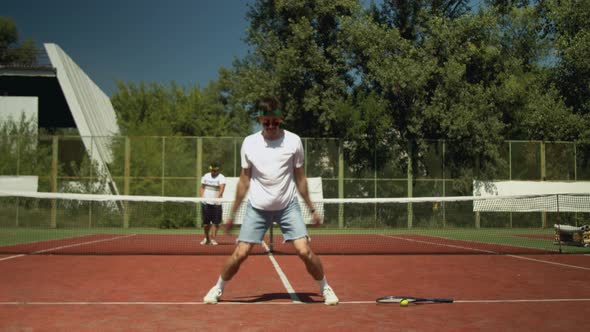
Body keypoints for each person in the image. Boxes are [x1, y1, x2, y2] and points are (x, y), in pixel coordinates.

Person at [203, 97, 339, 305]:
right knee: (240, 253)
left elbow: (300, 178)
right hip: (257, 208)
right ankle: (218, 288)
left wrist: (312, 209)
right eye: (266, 122)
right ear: (260, 119)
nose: (271, 126)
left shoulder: (294, 141)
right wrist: (231, 214)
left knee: (304, 250)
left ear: (281, 118)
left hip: (288, 206)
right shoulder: (249, 143)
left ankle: (325, 288)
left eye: (275, 121)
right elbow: (244, 180)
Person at [199, 162, 226, 245]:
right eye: (212, 170)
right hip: (206, 203)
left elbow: (221, 189)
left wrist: (216, 200)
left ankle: (213, 239)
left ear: (217, 170)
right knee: (206, 224)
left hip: (216, 204)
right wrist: (202, 197)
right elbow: (202, 187)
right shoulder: (206, 176)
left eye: (215, 170)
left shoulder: (221, 178)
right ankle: (207, 238)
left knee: (215, 222)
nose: (213, 172)